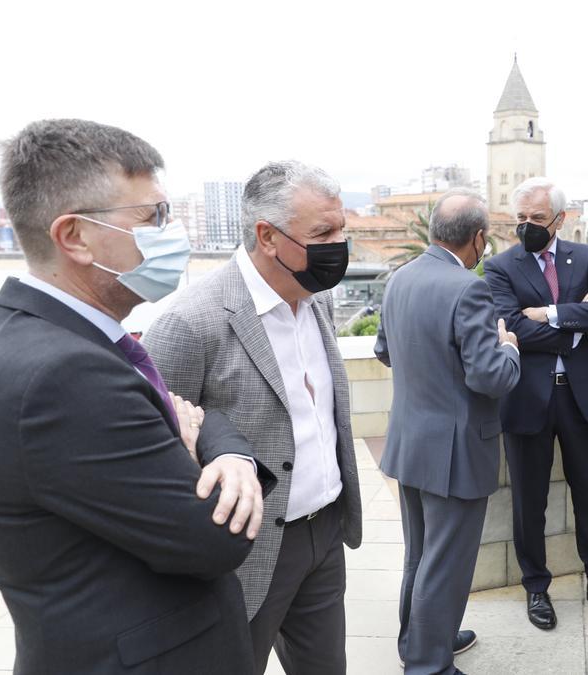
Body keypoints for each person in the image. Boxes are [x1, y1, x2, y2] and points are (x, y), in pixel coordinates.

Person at [0, 119, 274, 674]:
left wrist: (222, 450)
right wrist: (193, 438)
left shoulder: (68, 343)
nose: (171, 233)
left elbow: (190, 413)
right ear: (74, 236)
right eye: (153, 218)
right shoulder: (64, 376)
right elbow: (215, 540)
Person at [143, 161, 363, 674]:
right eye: (323, 233)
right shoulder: (189, 324)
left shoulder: (317, 301)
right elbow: (161, 452)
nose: (340, 245)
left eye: (342, 229)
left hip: (325, 533)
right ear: (267, 236)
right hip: (248, 551)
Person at [483, 177, 588, 630]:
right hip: (527, 399)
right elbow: (510, 325)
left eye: (537, 218)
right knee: (529, 503)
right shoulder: (500, 267)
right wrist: (577, 319)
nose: (528, 226)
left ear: (559, 219)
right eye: (521, 219)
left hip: (581, 398)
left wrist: (549, 314)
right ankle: (536, 589)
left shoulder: (587, 256)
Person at [374, 188, 521, 675]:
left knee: (419, 555)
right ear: (478, 239)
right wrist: (509, 348)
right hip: (456, 452)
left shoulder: (399, 279)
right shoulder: (468, 288)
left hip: (410, 443)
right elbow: (490, 377)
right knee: (445, 563)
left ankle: (418, 641)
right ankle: (428, 665)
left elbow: (384, 350)